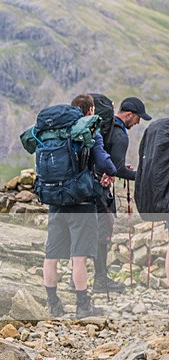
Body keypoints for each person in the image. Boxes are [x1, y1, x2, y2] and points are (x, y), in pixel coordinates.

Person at [43, 94, 116, 318]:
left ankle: (53, 303)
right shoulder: (90, 130)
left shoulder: (54, 131)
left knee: (51, 255)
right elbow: (103, 161)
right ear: (90, 110)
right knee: (79, 256)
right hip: (82, 202)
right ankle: (83, 306)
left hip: (55, 199)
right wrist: (110, 173)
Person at [93, 96, 152, 292]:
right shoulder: (119, 135)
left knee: (88, 232)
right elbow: (118, 170)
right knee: (103, 234)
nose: (138, 123)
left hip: (87, 185)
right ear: (128, 115)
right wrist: (141, 177)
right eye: (137, 118)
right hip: (100, 192)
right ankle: (100, 280)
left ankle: (78, 279)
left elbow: (109, 162)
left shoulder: (103, 128)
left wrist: (115, 168)